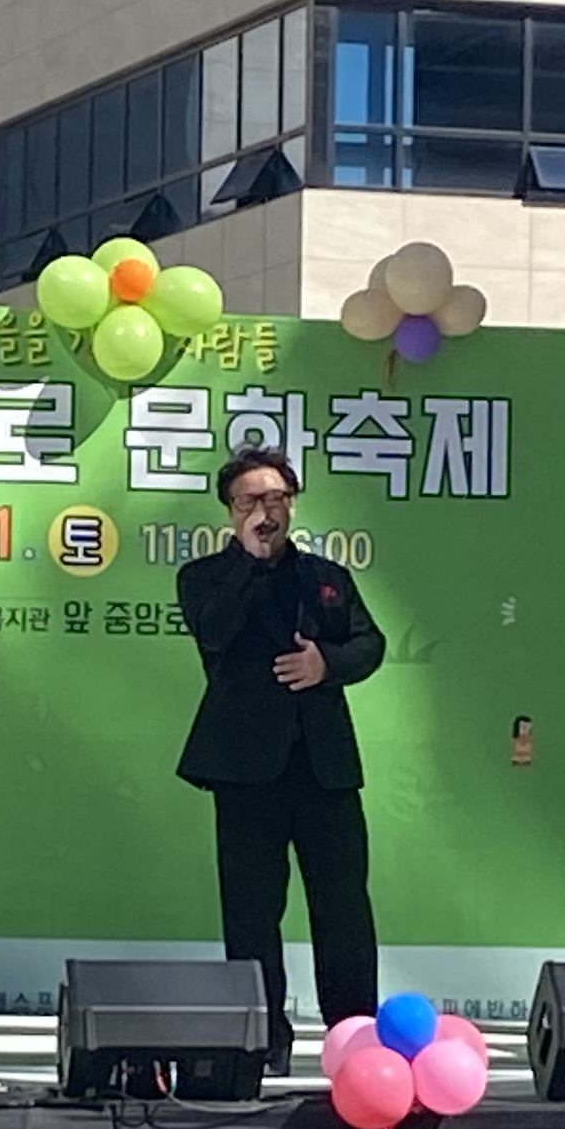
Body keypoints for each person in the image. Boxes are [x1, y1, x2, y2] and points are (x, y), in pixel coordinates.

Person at [176, 444, 383, 1059]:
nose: (264, 511)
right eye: (249, 501)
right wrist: (248, 560)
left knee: (343, 905)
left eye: (275, 498)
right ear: (230, 511)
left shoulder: (325, 577)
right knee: (251, 910)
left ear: (292, 504)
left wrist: (327, 663)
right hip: (244, 768)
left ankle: (353, 1035)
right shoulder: (204, 577)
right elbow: (213, 632)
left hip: (324, 767)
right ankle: (262, 1038)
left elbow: (369, 643)